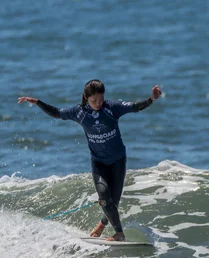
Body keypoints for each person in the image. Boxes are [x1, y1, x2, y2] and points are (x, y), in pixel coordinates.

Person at [18, 80, 162, 241]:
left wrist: (152, 99)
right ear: (86, 97)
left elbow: (135, 107)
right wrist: (38, 102)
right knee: (104, 200)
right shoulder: (79, 113)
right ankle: (119, 233)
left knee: (113, 202)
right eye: (94, 101)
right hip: (99, 163)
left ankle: (102, 224)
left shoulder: (112, 108)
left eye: (101, 100)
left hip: (118, 161)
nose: (98, 104)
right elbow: (57, 112)